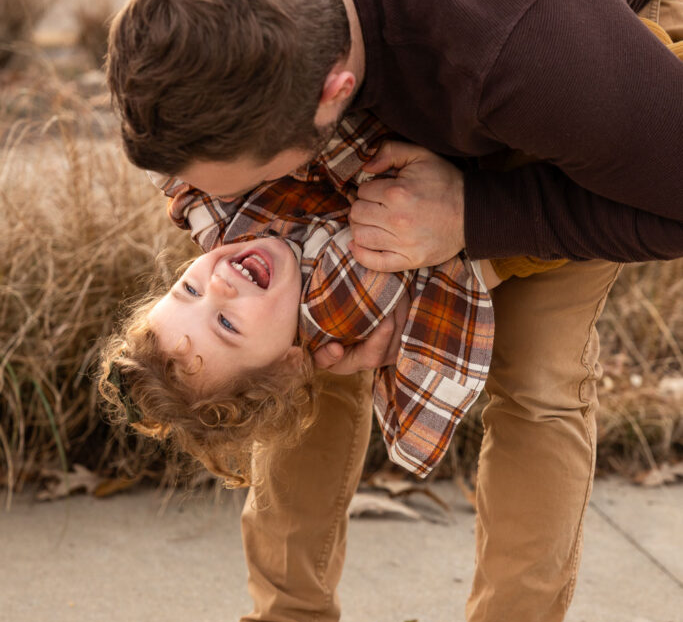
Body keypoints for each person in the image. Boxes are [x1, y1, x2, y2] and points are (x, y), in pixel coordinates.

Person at [105, 0, 683, 622]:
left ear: (333, 98)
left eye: (228, 182)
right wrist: (287, 308)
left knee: (538, 380)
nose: (211, 212)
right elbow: (208, 195)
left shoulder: (541, 52)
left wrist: (478, 219)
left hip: (559, 15)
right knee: (299, 354)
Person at [100, 109, 565, 485]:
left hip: (453, 163)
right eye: (226, 323)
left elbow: (174, 169)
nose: (217, 285)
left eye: (188, 290)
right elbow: (378, 195)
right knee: (540, 388)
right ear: (288, 365)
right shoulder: (329, 309)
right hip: (511, 229)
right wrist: (301, 132)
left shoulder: (231, 245)